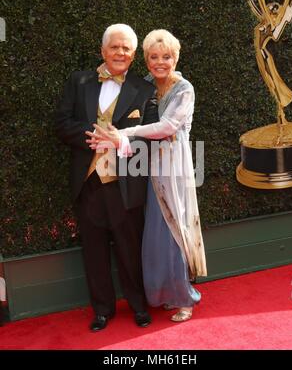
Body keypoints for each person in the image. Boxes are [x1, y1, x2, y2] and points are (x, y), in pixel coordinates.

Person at [87, 29, 207, 322]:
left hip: (174, 171)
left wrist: (122, 134)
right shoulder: (148, 85)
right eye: (154, 57)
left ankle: (184, 299)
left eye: (166, 56)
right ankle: (166, 293)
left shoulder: (184, 89)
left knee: (176, 234)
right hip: (146, 170)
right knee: (156, 236)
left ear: (175, 58)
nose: (160, 62)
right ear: (146, 60)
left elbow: (166, 127)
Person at [55, 24, 158, 331]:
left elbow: (150, 137)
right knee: (94, 249)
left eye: (126, 48)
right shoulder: (79, 81)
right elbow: (61, 122)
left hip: (125, 183)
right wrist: (89, 137)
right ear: (103, 50)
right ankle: (102, 310)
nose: (120, 53)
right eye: (115, 47)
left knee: (130, 248)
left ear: (133, 54)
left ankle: (139, 305)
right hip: (88, 183)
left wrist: (120, 141)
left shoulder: (145, 89)